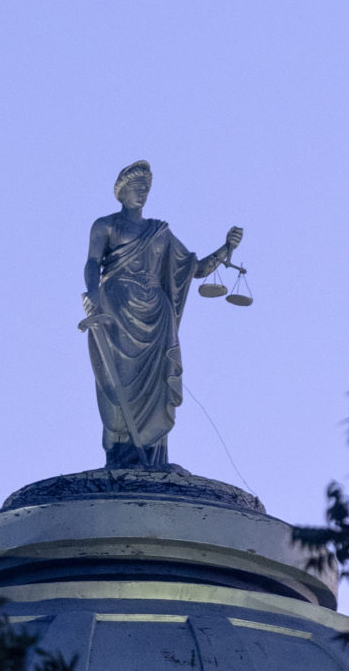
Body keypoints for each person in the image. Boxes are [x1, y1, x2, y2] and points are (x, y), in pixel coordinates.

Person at [80, 160, 243, 468]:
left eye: (146, 188)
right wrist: (93, 294)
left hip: (157, 316)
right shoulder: (106, 225)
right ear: (121, 193)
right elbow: (92, 263)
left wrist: (225, 249)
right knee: (119, 385)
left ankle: (153, 460)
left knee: (156, 389)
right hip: (118, 310)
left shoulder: (160, 232)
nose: (141, 194)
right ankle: (119, 457)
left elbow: (194, 269)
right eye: (135, 188)